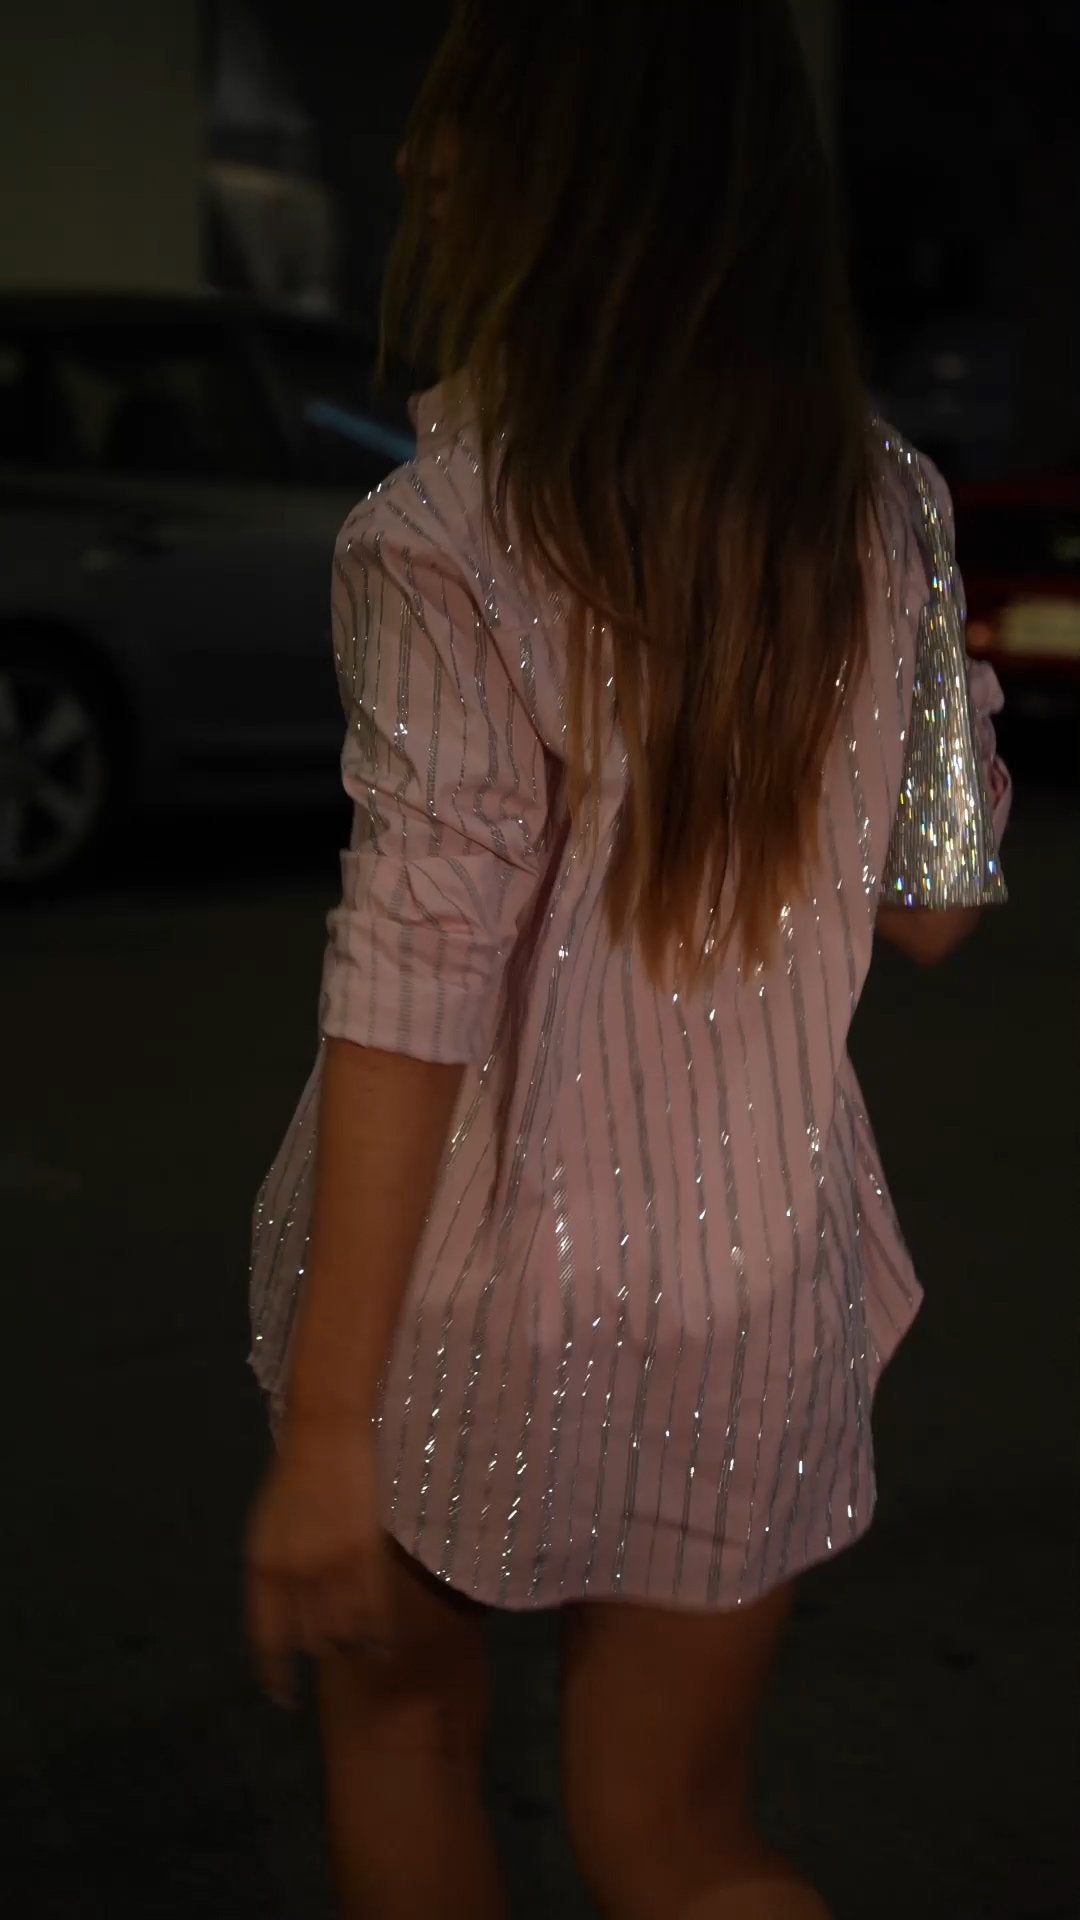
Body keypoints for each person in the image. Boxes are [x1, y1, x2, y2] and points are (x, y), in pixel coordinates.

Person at [244, 4, 1011, 1916]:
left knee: (404, 1736)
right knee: (677, 1843)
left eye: (459, 121)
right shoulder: (885, 505)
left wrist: (327, 1428)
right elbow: (939, 903)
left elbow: (414, 966)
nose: (417, 163)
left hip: (461, 1290)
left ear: (566, 174)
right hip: (744, 1290)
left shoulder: (445, 531)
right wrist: (916, 692)